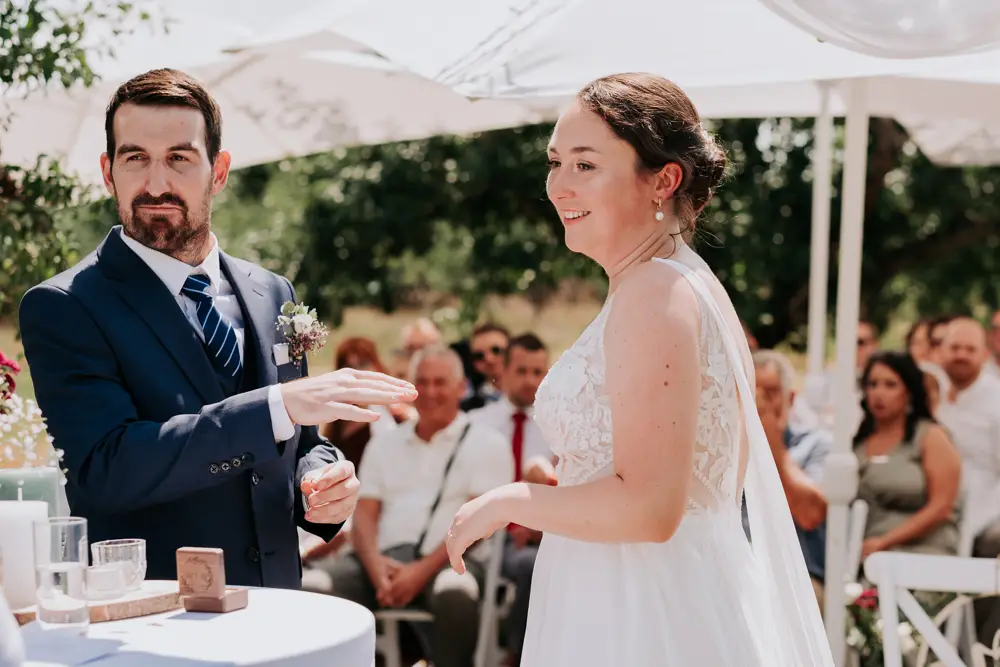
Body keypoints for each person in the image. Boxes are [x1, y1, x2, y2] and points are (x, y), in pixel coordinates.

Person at [445, 73, 832, 666]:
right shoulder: (677, 283)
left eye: (585, 164)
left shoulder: (655, 292)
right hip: (655, 588)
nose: (558, 186)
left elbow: (651, 508)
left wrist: (508, 501)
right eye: (555, 162)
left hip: (641, 612)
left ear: (663, 180)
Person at [18, 69, 416, 589]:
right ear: (108, 170)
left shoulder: (273, 292)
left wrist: (321, 482)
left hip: (279, 606)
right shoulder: (65, 306)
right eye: (135, 157)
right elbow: (105, 470)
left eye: (179, 159)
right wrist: (277, 406)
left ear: (220, 170)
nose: (156, 183)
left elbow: (299, 442)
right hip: (156, 617)